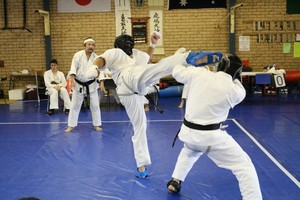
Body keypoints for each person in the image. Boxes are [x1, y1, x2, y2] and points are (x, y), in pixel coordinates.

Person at [85, 32, 222, 178]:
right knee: (158, 68)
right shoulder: (116, 52)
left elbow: (146, 59)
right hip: (129, 79)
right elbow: (101, 59)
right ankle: (185, 58)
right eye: (130, 45)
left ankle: (141, 167)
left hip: (131, 93)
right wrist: (94, 68)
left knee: (140, 126)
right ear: (124, 45)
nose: (131, 47)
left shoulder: (132, 60)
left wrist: (153, 44)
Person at [166, 54, 262, 200]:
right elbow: (236, 84)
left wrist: (191, 61)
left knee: (190, 149)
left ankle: (175, 180)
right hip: (210, 138)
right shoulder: (236, 91)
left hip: (188, 132)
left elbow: (176, 71)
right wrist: (234, 75)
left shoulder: (198, 74)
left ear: (219, 65)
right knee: (244, 166)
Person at [65, 37, 102, 133]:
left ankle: (97, 124)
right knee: (74, 106)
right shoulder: (78, 55)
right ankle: (71, 125)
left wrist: (101, 81)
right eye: (89, 45)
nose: (91, 47)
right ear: (84, 46)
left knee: (95, 105)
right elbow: (73, 67)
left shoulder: (96, 58)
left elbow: (100, 71)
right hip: (79, 84)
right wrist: (72, 79)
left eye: (93, 45)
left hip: (91, 84)